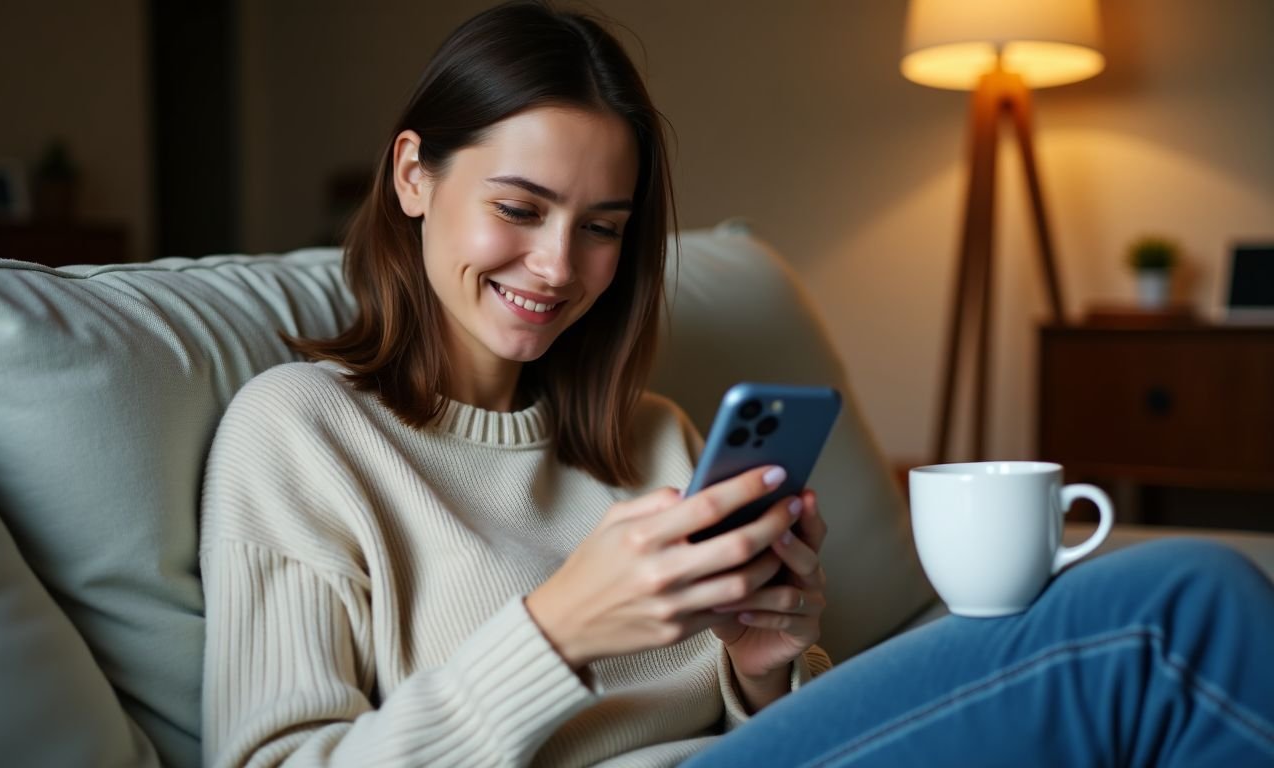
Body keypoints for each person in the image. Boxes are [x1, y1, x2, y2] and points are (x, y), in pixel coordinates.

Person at [199, 2, 1274, 766]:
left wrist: (765, 668)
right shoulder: (300, 434)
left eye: (603, 229)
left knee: (1180, 608)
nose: (559, 267)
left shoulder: (659, 441)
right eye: (521, 209)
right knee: (1173, 608)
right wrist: (558, 630)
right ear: (413, 176)